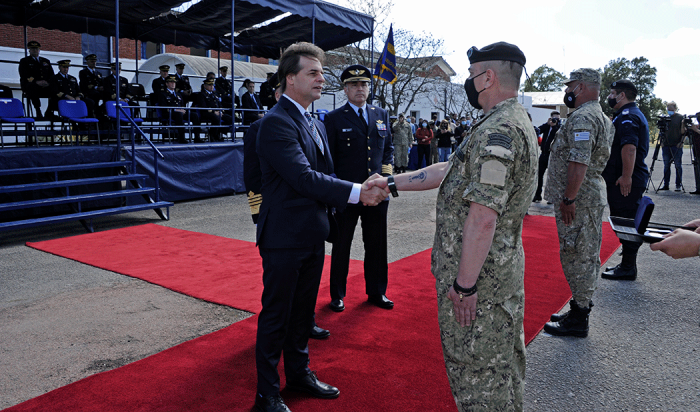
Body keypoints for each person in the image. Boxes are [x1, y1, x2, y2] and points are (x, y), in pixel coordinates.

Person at [368, 41, 536, 411]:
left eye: (472, 76)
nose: (469, 83)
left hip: (483, 285)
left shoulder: (501, 131)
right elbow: (449, 170)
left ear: (487, 77)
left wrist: (464, 286)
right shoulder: (502, 122)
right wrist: (392, 182)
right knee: (502, 374)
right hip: (497, 276)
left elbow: (483, 217)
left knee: (479, 379)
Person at [253, 42, 388, 412]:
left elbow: (325, 174)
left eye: (321, 72)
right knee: (277, 316)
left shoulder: (311, 120)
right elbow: (303, 177)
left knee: (301, 316)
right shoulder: (276, 122)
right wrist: (359, 192)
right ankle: (267, 393)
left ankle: (298, 373)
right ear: (290, 78)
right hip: (284, 239)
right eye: (312, 72)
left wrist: (365, 187)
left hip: (311, 234)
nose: (321, 78)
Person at [242, 72, 331, 341]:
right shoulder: (262, 127)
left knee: (305, 289)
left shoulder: (315, 125)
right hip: (281, 219)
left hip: (310, 218)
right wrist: (260, 214)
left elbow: (322, 169)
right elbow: (253, 176)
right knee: (280, 298)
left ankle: (306, 323)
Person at [543, 68, 614, 338]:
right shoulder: (601, 116)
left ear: (582, 87)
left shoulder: (584, 117)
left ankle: (579, 317)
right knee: (582, 253)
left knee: (578, 255)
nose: (567, 92)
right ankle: (578, 308)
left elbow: (579, 160)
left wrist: (569, 197)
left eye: (570, 87)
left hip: (580, 198)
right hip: (588, 195)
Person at [324, 64, 395, 313]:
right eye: (354, 85)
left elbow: (387, 150)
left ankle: (377, 291)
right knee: (341, 245)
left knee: (376, 245)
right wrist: (334, 190)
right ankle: (337, 295)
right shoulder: (333, 118)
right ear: (345, 89)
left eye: (363, 84)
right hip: (348, 194)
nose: (359, 89)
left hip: (377, 194)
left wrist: (385, 181)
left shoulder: (381, 114)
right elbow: (328, 158)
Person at [600, 79, 650, 281]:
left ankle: (629, 267)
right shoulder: (626, 114)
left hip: (626, 179)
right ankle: (627, 263)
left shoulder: (629, 116)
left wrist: (626, 176)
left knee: (626, 221)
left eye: (612, 93)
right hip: (624, 178)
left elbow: (629, 148)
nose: (610, 97)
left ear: (621, 95)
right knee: (624, 220)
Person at [157, 75, 201, 143]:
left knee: (194, 115)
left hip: (179, 112)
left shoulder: (178, 94)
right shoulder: (163, 94)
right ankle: (181, 137)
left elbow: (182, 105)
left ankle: (197, 137)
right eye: (171, 82)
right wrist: (175, 110)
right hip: (169, 113)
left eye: (174, 82)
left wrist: (183, 110)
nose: (173, 84)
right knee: (179, 114)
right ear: (166, 84)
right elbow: (164, 107)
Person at [18, 40, 54, 119]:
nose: (35, 50)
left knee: (55, 89)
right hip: (31, 84)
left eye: (36, 49)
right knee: (32, 87)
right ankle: (38, 110)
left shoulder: (45, 61)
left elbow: (51, 75)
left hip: (44, 85)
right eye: (33, 49)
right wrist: (36, 82)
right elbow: (24, 75)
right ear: (29, 50)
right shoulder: (24, 61)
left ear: (39, 50)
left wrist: (48, 82)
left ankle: (49, 111)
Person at [532, 110, 561, 202]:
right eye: (554, 118)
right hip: (543, 154)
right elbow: (538, 130)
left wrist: (555, 126)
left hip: (553, 155)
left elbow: (559, 134)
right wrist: (547, 124)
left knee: (552, 177)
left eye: (557, 118)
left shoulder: (559, 128)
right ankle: (537, 195)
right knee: (539, 175)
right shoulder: (547, 126)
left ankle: (551, 197)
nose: (555, 120)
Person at [660, 101, 686, 191]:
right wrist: (661, 142)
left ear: (675, 108)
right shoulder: (664, 118)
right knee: (666, 165)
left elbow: (684, 131)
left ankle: (678, 185)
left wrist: (681, 142)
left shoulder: (680, 118)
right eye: (668, 109)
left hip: (676, 145)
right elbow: (661, 130)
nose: (669, 111)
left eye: (671, 109)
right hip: (666, 145)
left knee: (678, 165)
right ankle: (666, 184)